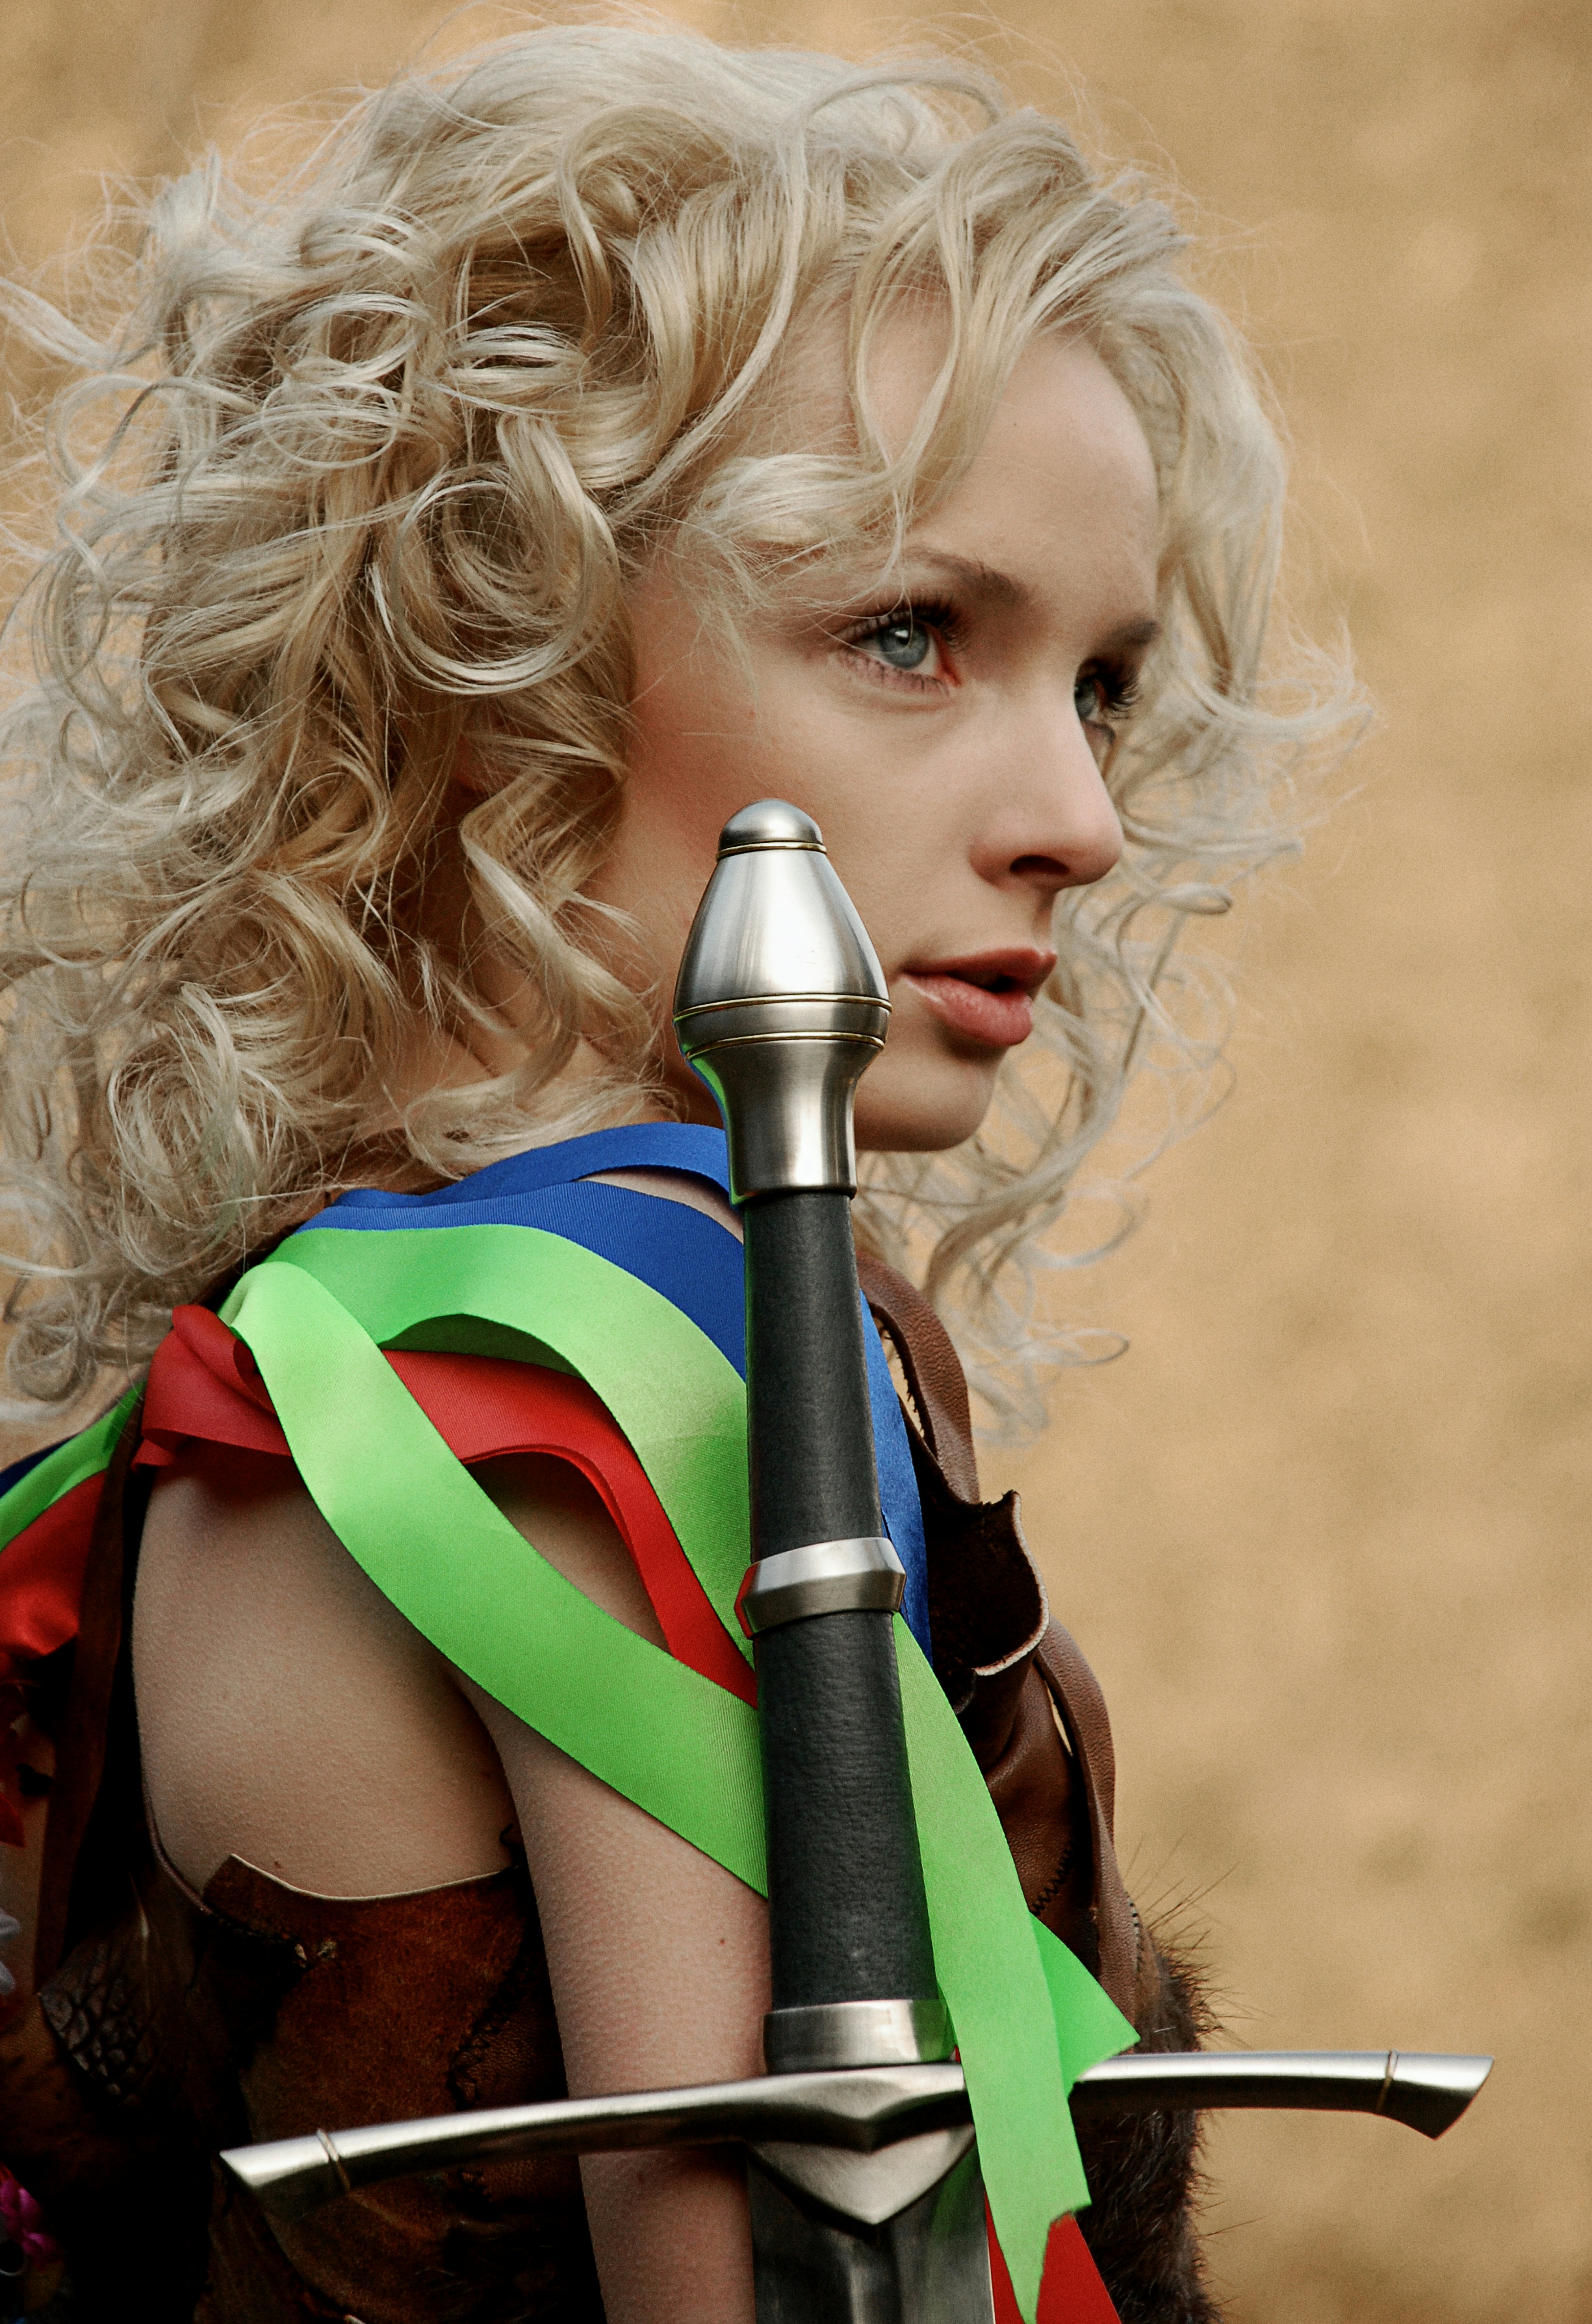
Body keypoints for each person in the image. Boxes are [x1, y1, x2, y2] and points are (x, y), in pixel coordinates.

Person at [0, 21, 1339, 2322]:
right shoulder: (595, 1336)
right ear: (495, 641)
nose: (1084, 820)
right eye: (912, 634)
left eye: (1102, 684)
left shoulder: (280, 1354)